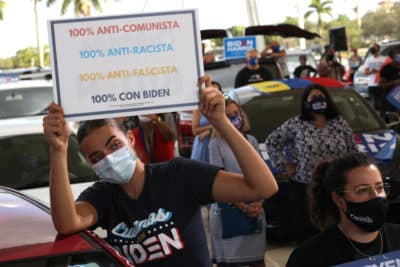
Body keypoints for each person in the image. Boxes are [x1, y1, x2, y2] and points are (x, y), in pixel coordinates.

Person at [42, 76, 279, 267]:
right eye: (96, 157)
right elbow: (66, 223)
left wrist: (221, 122)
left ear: (131, 140)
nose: (110, 159)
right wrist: (58, 149)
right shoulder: (103, 197)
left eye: (114, 145)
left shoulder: (178, 175)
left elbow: (263, 187)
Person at [265, 84, 358, 242]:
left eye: (321, 98)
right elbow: (272, 142)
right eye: (314, 98)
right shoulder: (296, 124)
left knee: (339, 231)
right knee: (311, 235)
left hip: (336, 186)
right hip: (305, 188)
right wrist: (284, 164)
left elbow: (352, 149)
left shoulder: (339, 122)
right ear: (306, 104)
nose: (318, 101)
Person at [286, 152, 400, 267]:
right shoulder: (310, 257)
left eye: (379, 188)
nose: (376, 196)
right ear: (339, 200)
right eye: (362, 190)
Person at [209, 99, 266, 267]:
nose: (234, 118)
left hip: (254, 208)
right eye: (228, 116)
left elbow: (263, 176)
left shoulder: (252, 141)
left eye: (236, 114)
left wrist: (258, 203)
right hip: (229, 210)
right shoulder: (216, 144)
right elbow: (218, 180)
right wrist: (242, 206)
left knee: (257, 261)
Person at [190, 81, 222, 163]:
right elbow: (195, 130)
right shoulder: (199, 108)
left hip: (220, 144)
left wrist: (209, 131)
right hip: (203, 145)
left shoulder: (224, 108)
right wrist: (212, 128)